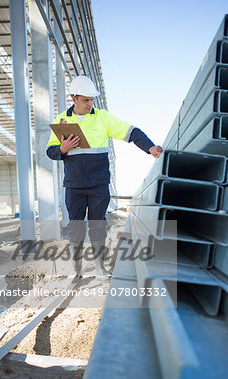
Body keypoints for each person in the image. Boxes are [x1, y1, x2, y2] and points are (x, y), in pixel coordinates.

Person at [46, 75, 162, 281]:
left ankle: (100, 268)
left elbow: (131, 132)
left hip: (98, 184)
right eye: (85, 100)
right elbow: (50, 151)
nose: (90, 104)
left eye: (92, 99)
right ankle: (77, 270)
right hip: (74, 185)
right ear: (74, 99)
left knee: (98, 226)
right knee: (75, 228)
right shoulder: (62, 121)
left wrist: (150, 147)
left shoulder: (103, 117)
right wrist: (62, 149)